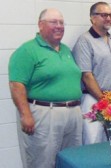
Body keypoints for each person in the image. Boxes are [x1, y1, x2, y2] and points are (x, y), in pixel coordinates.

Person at [8, 8, 82, 168]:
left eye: (61, 22)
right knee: (42, 162)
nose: (59, 26)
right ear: (40, 25)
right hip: (45, 114)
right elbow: (16, 85)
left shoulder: (66, 50)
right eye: (53, 22)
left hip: (73, 114)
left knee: (72, 160)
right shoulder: (27, 50)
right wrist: (25, 115)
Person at [73, 1, 111, 145]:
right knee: (94, 142)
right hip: (93, 99)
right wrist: (105, 101)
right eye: (104, 15)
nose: (109, 18)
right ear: (93, 18)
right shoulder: (84, 41)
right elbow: (87, 75)